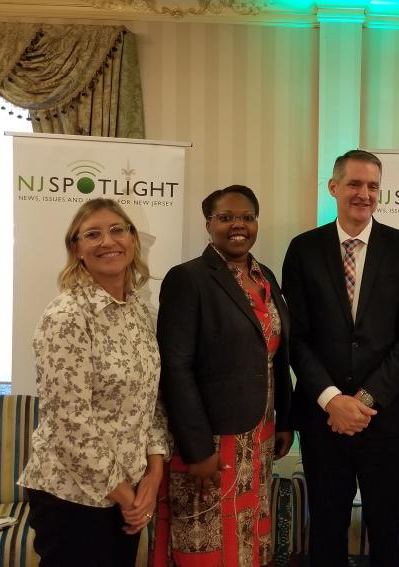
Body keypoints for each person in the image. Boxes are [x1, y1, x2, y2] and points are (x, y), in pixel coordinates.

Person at [282, 149, 399, 566]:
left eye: (373, 186)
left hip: (386, 417)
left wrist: (363, 401)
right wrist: (333, 400)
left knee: (387, 528)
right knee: (326, 529)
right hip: (323, 419)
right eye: (354, 184)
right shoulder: (303, 249)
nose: (364, 194)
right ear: (333, 187)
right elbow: (295, 337)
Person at [18, 198, 168, 566]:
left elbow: (150, 398)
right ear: (77, 249)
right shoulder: (66, 315)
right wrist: (125, 496)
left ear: (132, 240)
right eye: (93, 234)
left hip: (128, 494)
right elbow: (69, 423)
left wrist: (153, 474)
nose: (108, 241)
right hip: (73, 498)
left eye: (117, 230)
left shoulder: (136, 310)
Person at [156, 185, 293, 566]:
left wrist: (285, 418)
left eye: (247, 217)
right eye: (227, 217)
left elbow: (277, 354)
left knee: (247, 533)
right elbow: (176, 367)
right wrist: (197, 448)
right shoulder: (188, 279)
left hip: (259, 434)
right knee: (208, 538)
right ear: (208, 224)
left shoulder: (264, 276)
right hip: (213, 437)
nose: (239, 225)